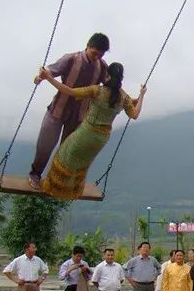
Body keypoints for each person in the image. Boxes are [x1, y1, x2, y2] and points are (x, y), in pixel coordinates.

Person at [37, 62, 145, 199]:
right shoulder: (124, 98)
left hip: (87, 132)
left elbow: (69, 91)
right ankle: (71, 191)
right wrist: (142, 95)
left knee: (64, 154)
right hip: (101, 139)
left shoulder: (97, 90)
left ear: (107, 75)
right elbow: (134, 114)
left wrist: (49, 78)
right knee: (82, 163)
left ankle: (53, 188)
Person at [29, 33, 110, 189]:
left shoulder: (101, 66)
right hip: (57, 111)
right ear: (88, 46)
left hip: (78, 116)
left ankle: (55, 181)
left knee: (67, 151)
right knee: (45, 145)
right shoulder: (71, 59)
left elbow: (108, 85)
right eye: (95, 53)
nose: (97, 57)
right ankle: (35, 174)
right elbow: (50, 71)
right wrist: (39, 77)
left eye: (101, 55)